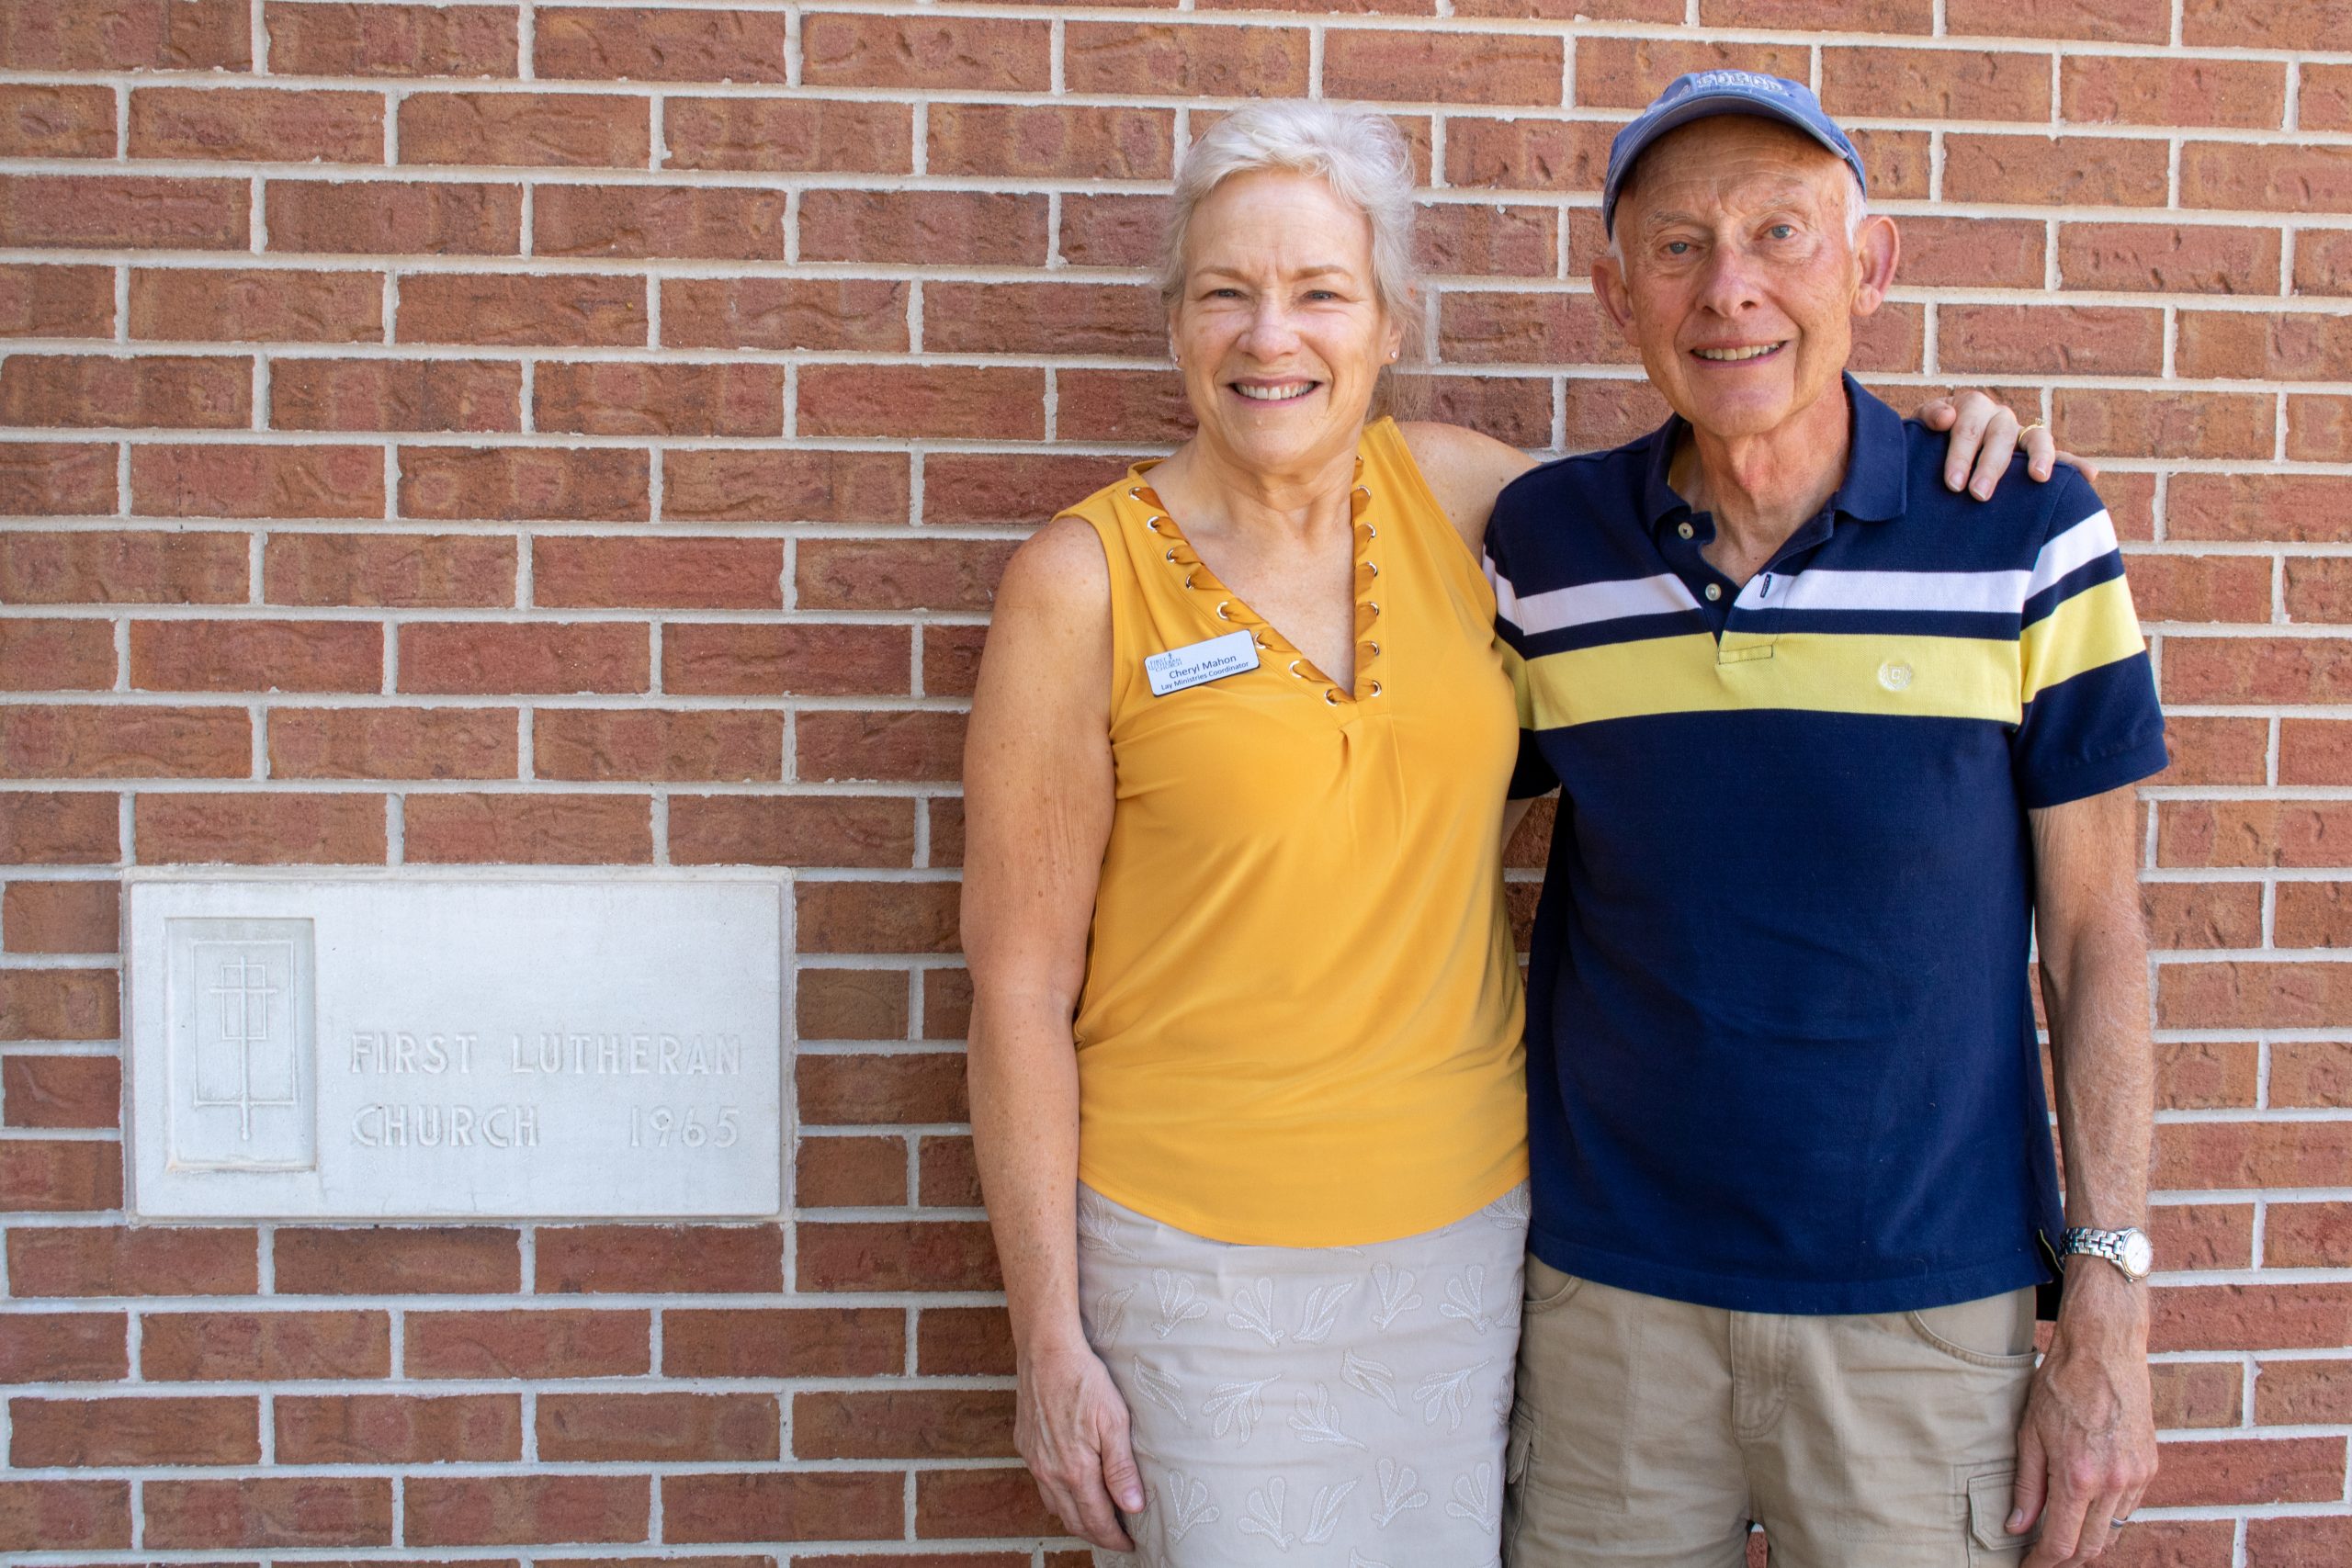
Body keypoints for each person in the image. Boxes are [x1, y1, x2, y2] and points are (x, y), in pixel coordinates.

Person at [961, 96, 2069, 1567]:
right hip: (1193, 1254)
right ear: (1175, 323)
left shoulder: (1472, 502)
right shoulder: (1080, 585)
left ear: (1390, 322)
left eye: (1319, 292)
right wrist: (1051, 1338)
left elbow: (1743, 458)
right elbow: (1017, 993)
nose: (1270, 335)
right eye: (1226, 291)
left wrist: (1942, 443)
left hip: (1467, 1235)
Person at [1486, 73, 2163, 1568]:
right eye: (1677, 248)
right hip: (1613, 1312)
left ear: (1871, 267)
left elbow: (2101, 938)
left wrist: (2107, 1286)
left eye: (1781, 234)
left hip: (1927, 1317)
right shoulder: (1544, 551)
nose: (1731, 291)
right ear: (1614, 293)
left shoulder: (2025, 533)